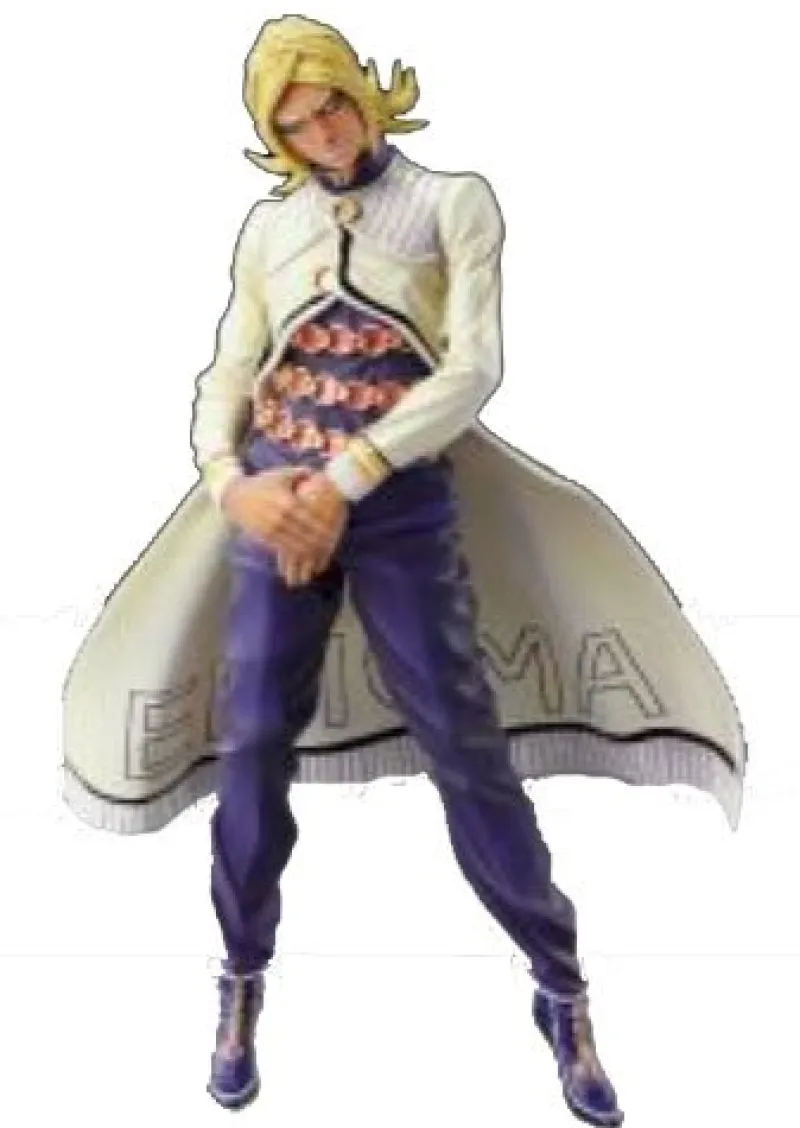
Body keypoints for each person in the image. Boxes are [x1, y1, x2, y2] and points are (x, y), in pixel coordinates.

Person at [196, 15, 624, 1124]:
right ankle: (240, 972)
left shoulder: (450, 202)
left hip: (391, 502)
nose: (324, 134)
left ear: (362, 92)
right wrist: (232, 484)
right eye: (296, 125)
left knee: (464, 747)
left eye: (332, 105)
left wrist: (343, 482)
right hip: (274, 499)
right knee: (251, 743)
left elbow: (472, 368)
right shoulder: (269, 224)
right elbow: (231, 368)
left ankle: (560, 983)